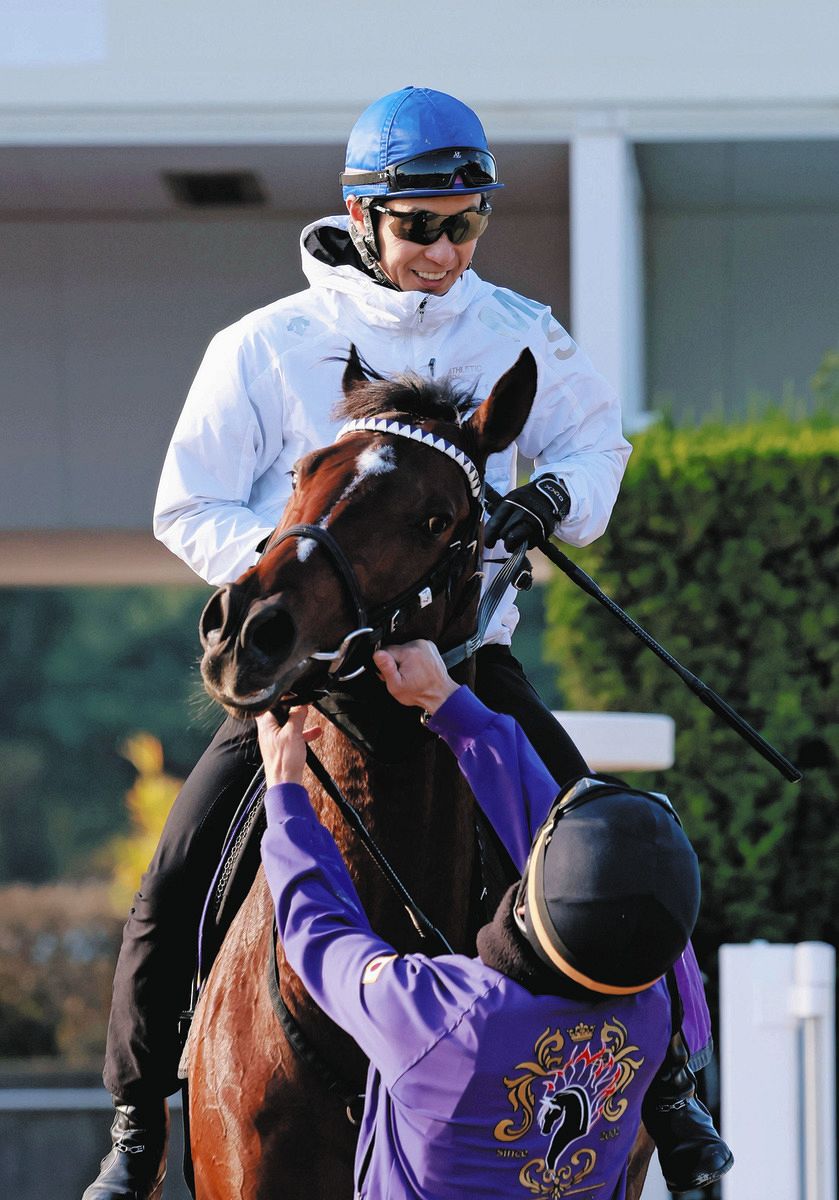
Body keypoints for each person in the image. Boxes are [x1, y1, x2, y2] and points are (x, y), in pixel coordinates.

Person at [83, 87, 726, 1198]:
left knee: (616, 855)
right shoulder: (264, 345)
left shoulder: (521, 330)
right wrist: (314, 581)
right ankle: (138, 1128)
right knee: (174, 873)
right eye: (420, 224)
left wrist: (543, 504)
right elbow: (186, 507)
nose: (442, 248)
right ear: (361, 214)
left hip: (460, 664)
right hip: (307, 680)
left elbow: (596, 447)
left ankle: (673, 1098)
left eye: (463, 223)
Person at [255, 639, 733, 1198]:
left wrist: (285, 791)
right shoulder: (650, 1017)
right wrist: (447, 701)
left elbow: (321, 933)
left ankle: (138, 1121)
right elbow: (562, 865)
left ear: (531, 899)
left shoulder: (442, 1018)